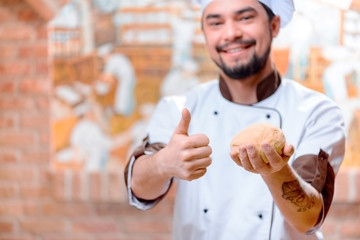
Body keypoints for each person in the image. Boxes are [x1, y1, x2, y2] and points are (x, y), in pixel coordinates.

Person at [124, 0, 346, 239]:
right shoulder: (179, 109)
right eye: (216, 23)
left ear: (274, 25)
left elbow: (309, 218)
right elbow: (138, 189)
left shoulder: (318, 112)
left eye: (245, 18)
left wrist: (275, 171)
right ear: (205, 34)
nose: (230, 33)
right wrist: (162, 164)